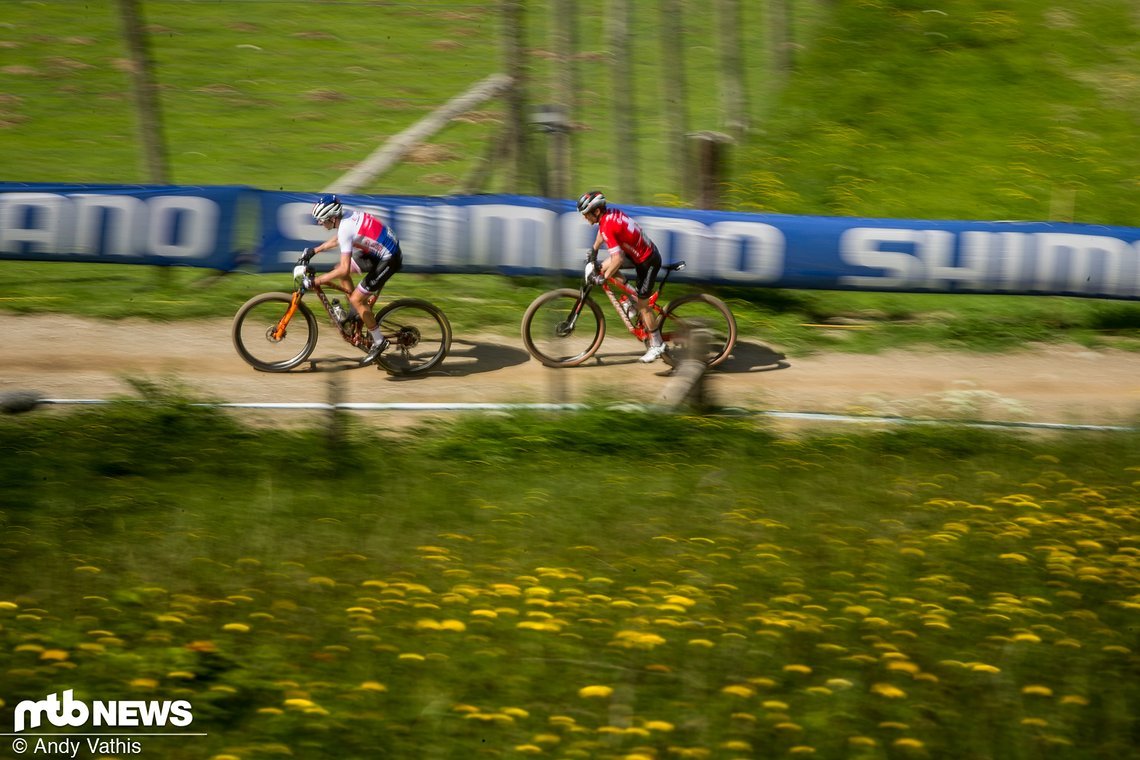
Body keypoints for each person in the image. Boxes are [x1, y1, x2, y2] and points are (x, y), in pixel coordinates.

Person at [301, 194, 402, 365]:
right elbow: (340, 239)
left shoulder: (345, 227)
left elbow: (344, 267)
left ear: (332, 218)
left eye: (322, 220)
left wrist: (317, 281)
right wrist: (315, 250)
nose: (320, 223)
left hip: (388, 258)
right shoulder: (345, 217)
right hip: (379, 250)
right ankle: (356, 312)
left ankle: (379, 341)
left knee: (355, 296)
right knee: (341, 275)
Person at [577, 190, 666, 363]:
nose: (584, 218)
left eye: (586, 214)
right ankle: (631, 300)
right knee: (602, 267)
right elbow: (602, 235)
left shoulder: (607, 225)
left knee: (643, 305)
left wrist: (603, 278)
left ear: (596, 211)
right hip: (638, 255)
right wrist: (594, 251)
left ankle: (657, 345)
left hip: (648, 261)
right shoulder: (608, 216)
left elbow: (618, 259)